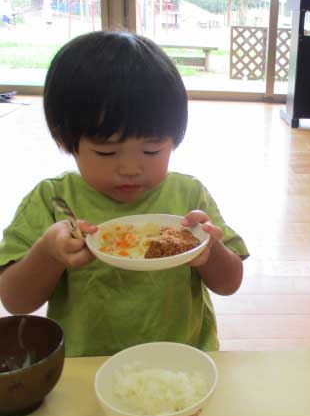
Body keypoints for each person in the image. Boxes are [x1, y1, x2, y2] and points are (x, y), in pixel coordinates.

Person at [0, 31, 249, 357]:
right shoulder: (53, 201)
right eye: (106, 152)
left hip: (181, 360)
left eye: (152, 150)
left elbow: (229, 284)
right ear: (66, 140)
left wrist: (209, 251)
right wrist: (48, 253)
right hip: (88, 365)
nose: (131, 169)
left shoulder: (188, 196)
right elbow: (16, 300)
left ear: (174, 139)